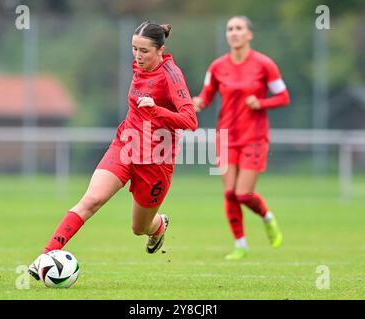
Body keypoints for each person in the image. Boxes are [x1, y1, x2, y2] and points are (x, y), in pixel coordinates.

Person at [28, 21, 198, 279]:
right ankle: (45, 255)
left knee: (139, 227)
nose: (138, 57)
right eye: (134, 49)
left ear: (160, 50)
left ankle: (158, 226)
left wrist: (157, 111)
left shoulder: (171, 76)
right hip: (126, 144)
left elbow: (191, 121)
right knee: (91, 200)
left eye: (144, 51)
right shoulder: (137, 66)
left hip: (156, 160)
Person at [193, 16, 290, 260]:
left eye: (239, 28)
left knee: (243, 193)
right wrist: (194, 103)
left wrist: (261, 102)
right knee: (229, 193)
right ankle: (241, 245)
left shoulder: (264, 64)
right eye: (230, 29)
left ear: (249, 35)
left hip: (254, 137)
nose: (234, 32)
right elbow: (205, 96)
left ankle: (267, 217)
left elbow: (283, 97)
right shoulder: (217, 67)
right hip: (225, 137)